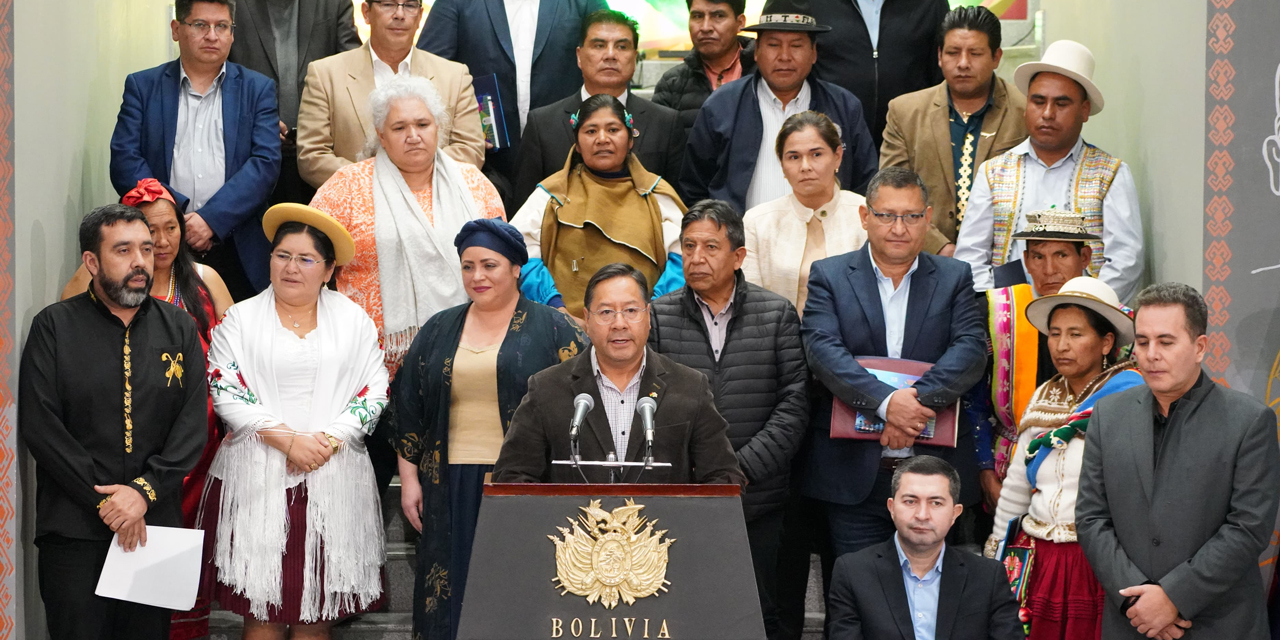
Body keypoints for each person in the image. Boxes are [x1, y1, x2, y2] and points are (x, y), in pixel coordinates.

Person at [308, 76, 505, 494]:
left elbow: (502, 270)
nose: (413, 136)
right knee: (368, 488)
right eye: (399, 128)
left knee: (453, 486)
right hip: (371, 365)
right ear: (380, 134)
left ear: (440, 129)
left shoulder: (475, 186)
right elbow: (308, 260)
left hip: (464, 364)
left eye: (423, 124)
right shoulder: (344, 188)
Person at [201, 204, 390, 638]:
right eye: (282, 255)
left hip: (332, 475)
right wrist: (287, 441)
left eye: (306, 259)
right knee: (261, 615)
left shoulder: (354, 320)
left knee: (315, 617)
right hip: (257, 480)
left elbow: (374, 388)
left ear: (327, 271)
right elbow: (226, 387)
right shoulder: (240, 319)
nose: (291, 267)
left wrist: (328, 440)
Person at [20, 204, 208, 640]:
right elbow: (42, 427)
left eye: (145, 249)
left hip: (154, 527)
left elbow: (191, 426)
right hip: (74, 529)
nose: (140, 261)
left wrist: (142, 494)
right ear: (92, 261)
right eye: (123, 250)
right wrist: (109, 503)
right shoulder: (54, 326)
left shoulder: (178, 327)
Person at [394, 218, 587, 640]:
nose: (477, 277)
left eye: (489, 265)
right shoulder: (439, 329)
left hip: (528, 484)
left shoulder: (557, 329)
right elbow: (409, 404)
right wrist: (410, 479)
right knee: (451, 594)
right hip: (450, 482)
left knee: (524, 591)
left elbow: (587, 408)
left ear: (517, 268)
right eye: (467, 266)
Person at [59, 180, 234, 640]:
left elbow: (236, 358)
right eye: (148, 231)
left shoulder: (206, 280)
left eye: (170, 227)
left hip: (192, 448)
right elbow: (75, 359)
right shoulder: (82, 293)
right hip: (118, 455)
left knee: (178, 566)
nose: (160, 241)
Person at [799, 166, 986, 571]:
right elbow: (822, 351)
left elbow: (971, 349)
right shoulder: (830, 276)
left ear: (928, 219)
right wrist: (886, 403)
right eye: (886, 215)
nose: (899, 227)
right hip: (855, 476)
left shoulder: (955, 277)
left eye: (911, 216)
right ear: (866, 217)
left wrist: (912, 404)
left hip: (933, 477)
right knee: (854, 597)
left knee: (929, 599)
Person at [1077, 283, 1280, 639]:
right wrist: (1135, 599)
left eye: (1166, 342)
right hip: (1130, 621)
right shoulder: (1108, 414)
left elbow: (1249, 527)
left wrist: (1174, 597)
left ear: (1200, 347)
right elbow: (1091, 516)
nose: (1151, 354)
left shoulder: (1249, 421)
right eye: (1142, 342)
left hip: (1220, 624)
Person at [648, 200, 809, 639]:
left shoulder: (775, 314)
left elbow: (794, 405)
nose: (697, 258)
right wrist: (699, 472)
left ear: (738, 257)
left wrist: (738, 471)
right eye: (689, 246)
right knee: (685, 614)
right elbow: (650, 405)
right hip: (686, 496)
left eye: (711, 247)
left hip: (760, 498)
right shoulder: (659, 316)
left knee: (759, 614)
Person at [984, 277, 1142, 639]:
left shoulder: (1131, 397)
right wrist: (995, 558)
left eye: (1075, 334)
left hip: (1099, 561)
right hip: (1040, 559)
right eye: (1054, 334)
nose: (1061, 346)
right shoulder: (1044, 395)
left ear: (1106, 342)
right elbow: (1016, 487)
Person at [493, 263, 745, 485]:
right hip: (575, 537)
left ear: (648, 316)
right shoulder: (547, 388)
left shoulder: (690, 387)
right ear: (587, 320)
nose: (619, 323)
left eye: (631, 311)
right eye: (605, 312)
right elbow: (512, 476)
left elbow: (724, 477)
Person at [109, 0, 282, 299]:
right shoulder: (143, 86)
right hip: (158, 246)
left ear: (232, 33)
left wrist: (211, 220)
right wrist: (174, 217)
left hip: (235, 245)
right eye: (200, 25)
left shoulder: (257, 89)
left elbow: (265, 163)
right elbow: (125, 160)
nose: (212, 35)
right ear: (176, 29)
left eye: (222, 26)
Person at [954, 40, 1144, 303]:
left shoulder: (1109, 174)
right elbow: (970, 257)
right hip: (1008, 326)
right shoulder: (994, 172)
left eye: (1061, 104)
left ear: (1084, 110)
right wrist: (1001, 311)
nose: (1047, 113)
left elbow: (1126, 262)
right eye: (1038, 101)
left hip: (1086, 327)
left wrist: (1080, 310)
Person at [680, 0, 878, 215]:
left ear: (813, 53)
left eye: (796, 46)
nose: (784, 56)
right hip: (743, 242)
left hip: (829, 242)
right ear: (756, 51)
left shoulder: (844, 106)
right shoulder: (721, 106)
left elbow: (866, 185)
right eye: (773, 45)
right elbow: (694, 189)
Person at [514, 93, 686, 319]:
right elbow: (520, 254)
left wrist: (651, 311)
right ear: (577, 144)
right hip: (564, 325)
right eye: (591, 131)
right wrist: (557, 310)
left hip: (646, 324)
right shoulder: (551, 195)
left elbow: (684, 259)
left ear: (631, 139)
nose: (602, 139)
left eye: (613, 130)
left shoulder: (657, 195)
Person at [880, 5, 1028, 256]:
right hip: (926, 259)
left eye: (975, 53)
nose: (963, 63)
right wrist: (941, 247)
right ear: (939, 55)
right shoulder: (905, 112)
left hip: (1005, 260)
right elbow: (892, 194)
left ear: (996, 57)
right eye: (953, 52)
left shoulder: (1024, 110)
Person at [975, 211, 1103, 497]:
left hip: (1089, 476)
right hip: (1007, 472)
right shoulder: (998, 316)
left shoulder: (1114, 323)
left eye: (1061, 255)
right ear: (1025, 260)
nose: (1049, 269)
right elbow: (975, 401)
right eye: (1038, 257)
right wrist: (985, 471)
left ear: (1085, 258)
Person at [826, 456, 1023, 640]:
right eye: (910, 501)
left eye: (936, 503)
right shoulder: (853, 572)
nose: (922, 514)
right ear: (892, 508)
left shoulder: (988, 576)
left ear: (955, 513)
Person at [297, 0, 486, 190]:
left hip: (436, 208)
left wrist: (415, 184)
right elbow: (312, 157)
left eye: (409, 6)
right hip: (355, 209)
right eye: (388, 4)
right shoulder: (324, 74)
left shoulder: (455, 76)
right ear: (366, 12)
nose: (399, 14)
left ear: (420, 16)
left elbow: (469, 150)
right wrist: (378, 184)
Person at [418, 0, 609, 183]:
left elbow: (612, 59)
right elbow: (427, 74)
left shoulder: (583, 3)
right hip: (483, 165)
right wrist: (461, 130)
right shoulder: (457, 3)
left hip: (568, 157)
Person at [513, 10, 686, 206]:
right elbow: (523, 207)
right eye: (599, 45)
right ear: (579, 56)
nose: (610, 55)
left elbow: (678, 205)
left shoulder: (665, 123)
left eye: (621, 46)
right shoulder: (543, 124)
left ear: (635, 58)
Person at [228, 0, 362, 205]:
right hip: (249, 161)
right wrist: (257, 122)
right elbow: (219, 74)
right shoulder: (232, 5)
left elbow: (352, 72)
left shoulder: (334, 3)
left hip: (320, 159)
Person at [743, 111, 868, 313]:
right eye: (794, 157)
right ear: (782, 165)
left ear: (837, 157)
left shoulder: (866, 214)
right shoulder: (758, 222)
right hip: (777, 341)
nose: (805, 167)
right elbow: (750, 305)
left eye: (816, 154)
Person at [808, 0, 949, 149]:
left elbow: (942, 72)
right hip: (831, 135)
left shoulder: (931, 4)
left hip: (911, 138)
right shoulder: (812, 4)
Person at [652, 0, 758, 135]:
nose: (706, 27)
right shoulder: (672, 84)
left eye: (718, 16)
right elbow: (658, 147)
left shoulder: (763, 74)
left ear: (740, 22)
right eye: (697, 16)